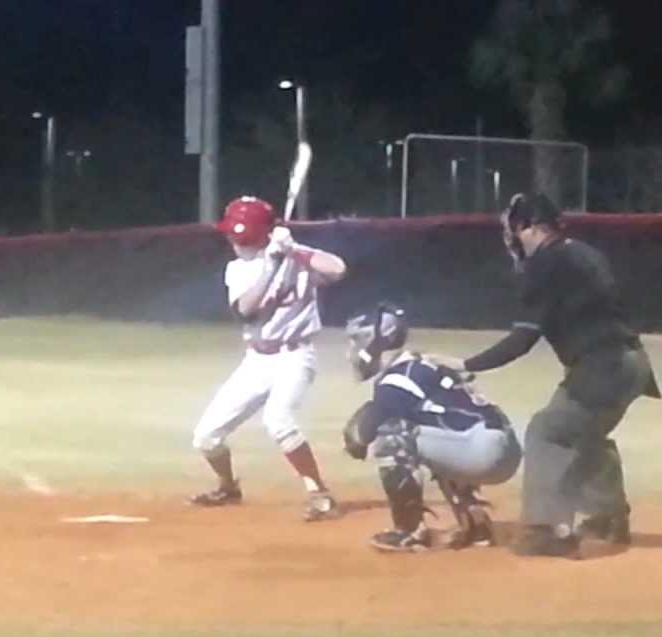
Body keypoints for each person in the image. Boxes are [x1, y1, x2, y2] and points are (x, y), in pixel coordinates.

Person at [438, 193, 658, 557]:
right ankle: (609, 520)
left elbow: (524, 338)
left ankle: (545, 529)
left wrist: (466, 365)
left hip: (603, 366)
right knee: (584, 433)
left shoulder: (544, 264)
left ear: (528, 228)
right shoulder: (585, 253)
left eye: (514, 228)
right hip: (632, 364)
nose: (510, 237)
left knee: (548, 431)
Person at [190, 196, 348, 521]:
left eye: (242, 237)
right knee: (205, 437)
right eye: (233, 237)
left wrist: (293, 252)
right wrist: (273, 265)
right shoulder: (238, 269)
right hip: (257, 361)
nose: (235, 243)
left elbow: (338, 269)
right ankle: (228, 486)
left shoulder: (294, 256)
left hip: (296, 356)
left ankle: (320, 494)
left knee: (278, 420)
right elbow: (246, 311)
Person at [341, 302, 520, 553]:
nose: (353, 349)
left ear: (377, 339)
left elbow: (363, 435)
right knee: (429, 433)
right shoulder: (421, 363)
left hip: (480, 449)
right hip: (503, 447)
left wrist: (356, 438)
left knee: (392, 437)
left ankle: (409, 531)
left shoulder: (397, 378)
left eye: (357, 340)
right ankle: (476, 525)